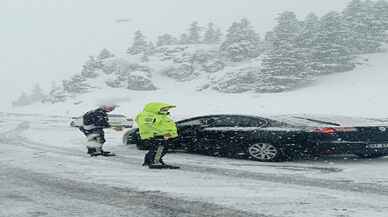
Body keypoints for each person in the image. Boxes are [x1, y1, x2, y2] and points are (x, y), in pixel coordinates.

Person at [135, 102, 179, 169]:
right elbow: (146, 126)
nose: (166, 111)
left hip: (162, 135)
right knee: (160, 149)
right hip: (156, 136)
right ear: (155, 108)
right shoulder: (150, 115)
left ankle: (149, 161)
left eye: (166, 109)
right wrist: (156, 133)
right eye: (163, 109)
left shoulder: (161, 116)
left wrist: (171, 134)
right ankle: (156, 162)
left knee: (157, 149)